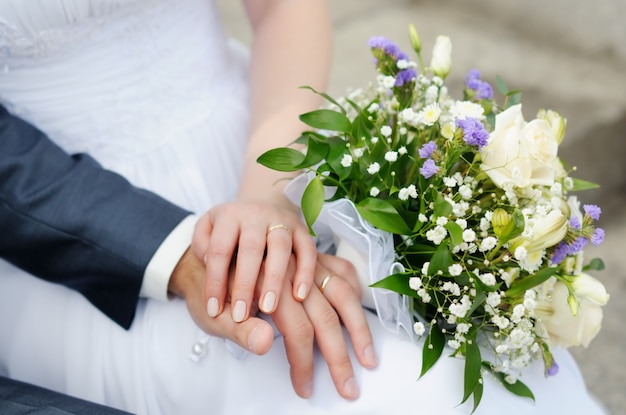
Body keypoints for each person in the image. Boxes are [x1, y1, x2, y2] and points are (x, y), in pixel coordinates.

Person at [0, 0, 608, 414]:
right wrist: (186, 254)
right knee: (391, 390)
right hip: (71, 226)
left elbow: (283, 8)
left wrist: (270, 192)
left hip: (265, 137)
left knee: (464, 353)